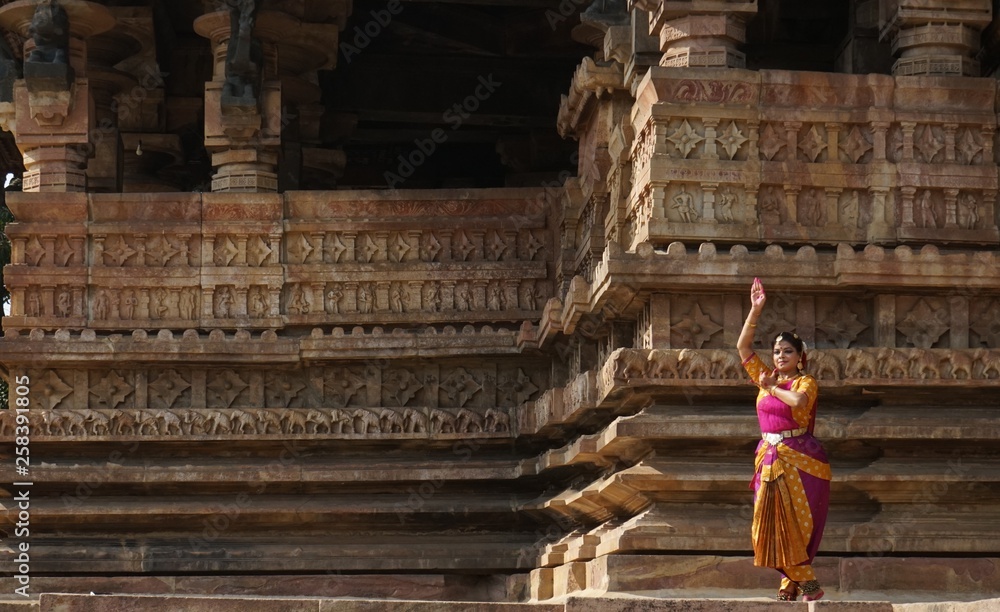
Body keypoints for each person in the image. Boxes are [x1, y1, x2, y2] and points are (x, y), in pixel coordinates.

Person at [736, 277, 831, 602]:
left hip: (800, 459)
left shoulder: (805, 382)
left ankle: (800, 584)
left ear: (800, 356)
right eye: (776, 351)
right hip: (768, 457)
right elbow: (743, 348)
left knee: (795, 524)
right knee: (765, 523)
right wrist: (755, 309)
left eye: (787, 351)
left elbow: (798, 404)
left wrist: (771, 387)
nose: (779, 356)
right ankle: (797, 581)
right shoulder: (765, 376)